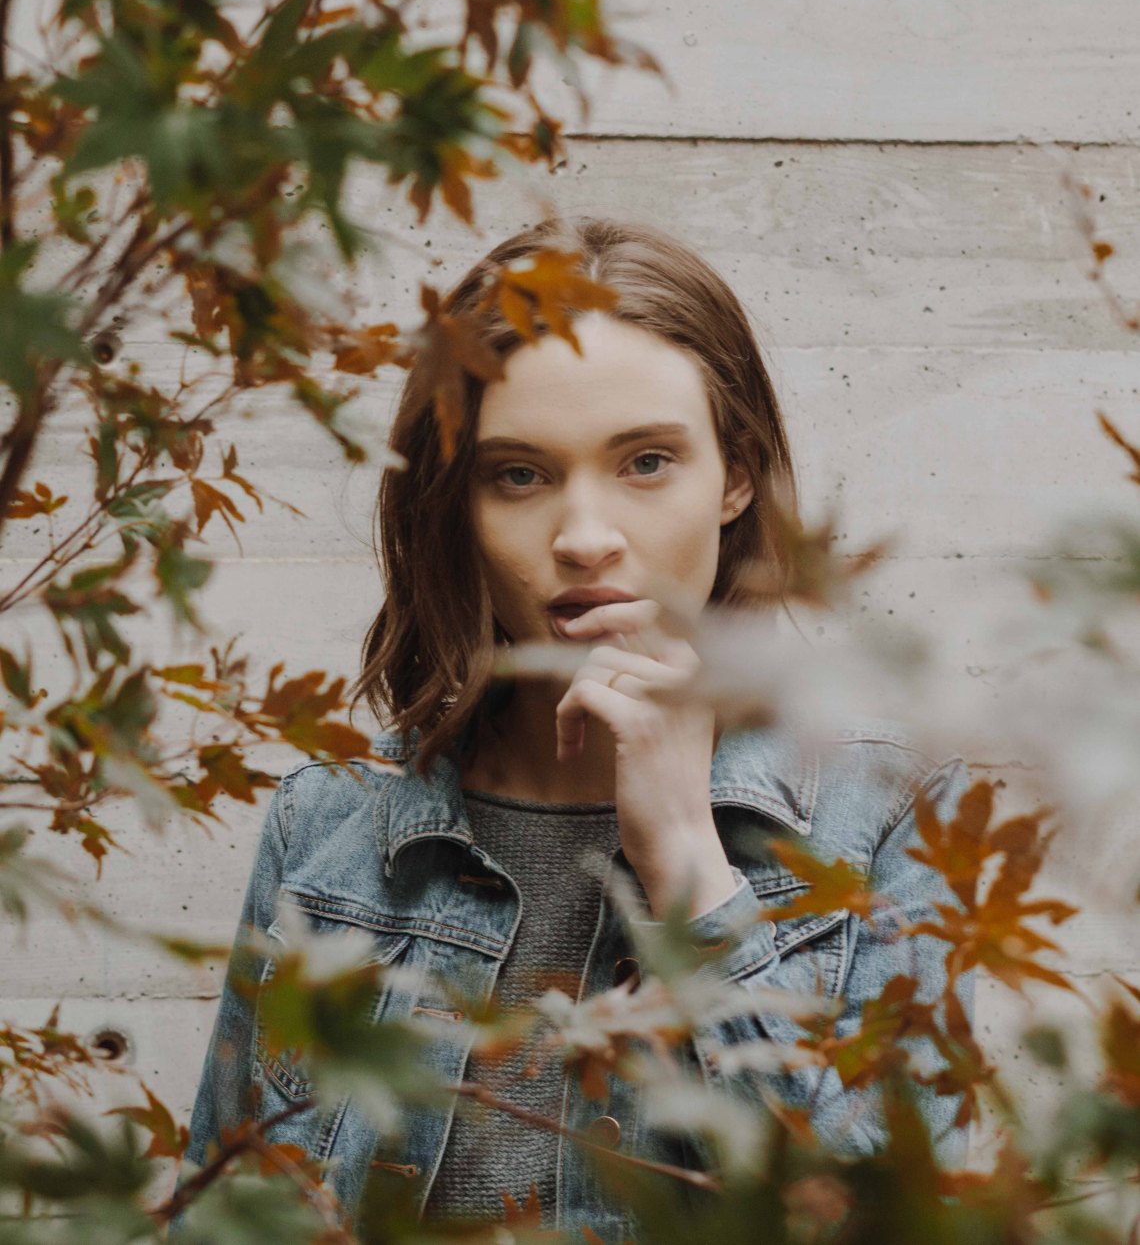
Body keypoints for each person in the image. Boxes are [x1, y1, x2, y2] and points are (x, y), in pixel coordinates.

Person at [180, 215, 974, 1240]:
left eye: (646, 463)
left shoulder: (883, 817)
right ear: (453, 504)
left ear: (735, 476)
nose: (586, 539)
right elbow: (219, 1217)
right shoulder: (329, 829)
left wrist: (691, 864)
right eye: (519, 474)